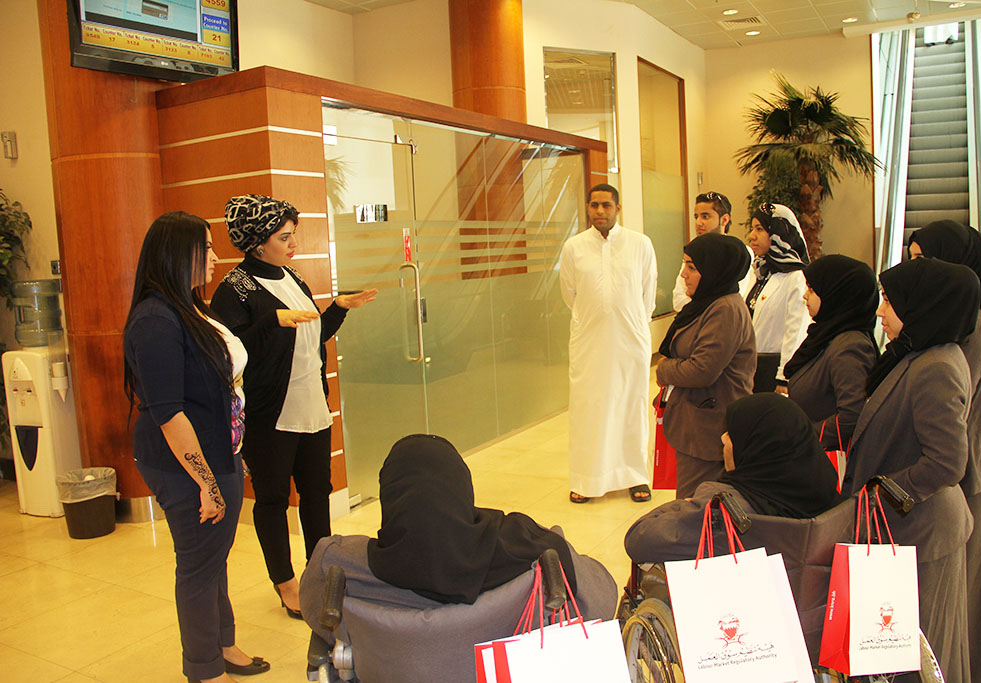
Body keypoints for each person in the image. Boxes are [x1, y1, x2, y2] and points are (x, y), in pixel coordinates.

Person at [297, 434, 618, 683]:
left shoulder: (339, 565)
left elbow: (321, 622)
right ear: (463, 489)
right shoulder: (531, 547)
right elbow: (601, 601)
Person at [211, 194, 377, 618]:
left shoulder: (293, 276)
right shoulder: (234, 290)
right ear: (256, 244)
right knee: (272, 499)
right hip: (270, 413)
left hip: (311, 404)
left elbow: (310, 335)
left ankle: (319, 572)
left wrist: (337, 309)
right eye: (284, 238)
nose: (294, 244)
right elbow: (229, 354)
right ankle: (285, 583)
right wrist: (272, 321)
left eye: (293, 235)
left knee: (317, 492)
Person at [123, 212, 268, 682]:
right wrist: (206, 482)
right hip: (186, 463)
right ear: (175, 253)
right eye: (205, 248)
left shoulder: (187, 306)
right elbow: (169, 414)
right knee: (199, 566)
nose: (214, 257)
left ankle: (223, 644)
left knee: (213, 557)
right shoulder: (155, 320)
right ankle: (204, 669)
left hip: (216, 453)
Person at [624, 393, 847, 660]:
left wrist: (683, 504)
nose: (723, 439)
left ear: (754, 446)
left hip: (739, 633)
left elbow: (638, 539)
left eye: (732, 433)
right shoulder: (832, 498)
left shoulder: (726, 509)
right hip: (819, 628)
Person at [844, 257, 981, 683]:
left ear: (921, 305)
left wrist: (879, 491)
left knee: (923, 654)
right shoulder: (915, 352)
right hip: (905, 527)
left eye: (890, 301)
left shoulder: (936, 367)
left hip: (921, 527)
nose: (880, 311)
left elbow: (946, 462)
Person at [909, 220, 981, 683]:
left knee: (970, 582)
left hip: (966, 468)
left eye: (924, 259)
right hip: (962, 463)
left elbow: (951, 403)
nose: (918, 269)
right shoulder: (953, 314)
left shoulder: (973, 324)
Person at [559, 183, 657, 504]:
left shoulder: (640, 244)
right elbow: (570, 294)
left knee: (631, 406)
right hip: (589, 341)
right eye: (594, 205)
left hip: (631, 340)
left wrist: (628, 321)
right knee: (589, 408)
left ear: (618, 208)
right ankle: (587, 479)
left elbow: (648, 293)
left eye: (606, 205)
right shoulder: (574, 247)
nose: (600, 211)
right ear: (588, 208)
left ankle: (635, 476)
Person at [656, 232, 755, 498]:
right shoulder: (706, 304)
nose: (683, 275)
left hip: (709, 429)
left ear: (714, 271)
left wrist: (664, 369)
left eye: (692, 267)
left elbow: (702, 370)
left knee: (697, 507)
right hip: (697, 424)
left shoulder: (725, 309)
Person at [785, 254, 879, 452]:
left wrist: (802, 437)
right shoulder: (827, 335)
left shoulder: (850, 346)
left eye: (812, 289)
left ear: (835, 294)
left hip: (825, 456)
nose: (805, 295)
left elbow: (852, 416)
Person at [744, 203, 811, 393]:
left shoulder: (796, 277)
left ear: (777, 233)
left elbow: (796, 331)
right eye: (752, 228)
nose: (752, 236)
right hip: (750, 368)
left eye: (759, 229)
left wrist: (784, 378)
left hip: (774, 372)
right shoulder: (759, 271)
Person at [671, 191, 755, 311]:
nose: (698, 223)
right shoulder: (695, 252)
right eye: (696, 217)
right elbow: (678, 301)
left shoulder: (738, 254)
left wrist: (696, 302)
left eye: (705, 217)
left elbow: (730, 300)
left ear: (724, 220)